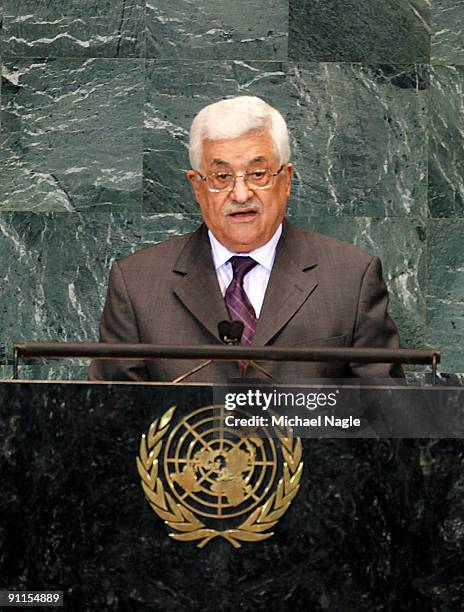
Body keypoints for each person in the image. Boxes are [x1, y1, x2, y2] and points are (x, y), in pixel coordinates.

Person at [89, 96, 402, 382]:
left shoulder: (351, 278)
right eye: (221, 177)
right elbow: (114, 422)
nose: (240, 194)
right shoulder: (138, 285)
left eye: (258, 174)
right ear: (197, 187)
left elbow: (387, 413)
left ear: (287, 180)